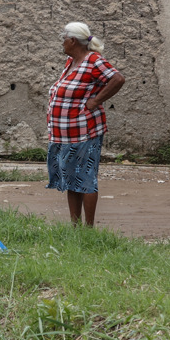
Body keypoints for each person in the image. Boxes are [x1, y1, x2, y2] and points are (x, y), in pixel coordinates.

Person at [46, 21, 126, 226]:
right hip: (67, 134)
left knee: (86, 178)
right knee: (72, 179)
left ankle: (88, 229)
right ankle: (76, 227)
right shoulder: (71, 62)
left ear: (73, 41)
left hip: (85, 131)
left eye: (64, 38)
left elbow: (117, 79)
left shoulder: (93, 60)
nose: (62, 42)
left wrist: (96, 101)